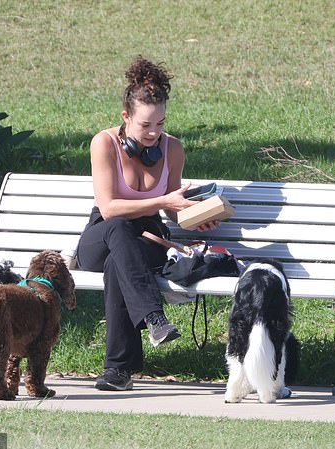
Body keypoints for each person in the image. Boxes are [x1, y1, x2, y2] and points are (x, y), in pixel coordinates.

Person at [76, 56, 219, 391]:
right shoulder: (104, 143)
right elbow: (109, 208)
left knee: (119, 264)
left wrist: (194, 216)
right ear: (125, 117)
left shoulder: (172, 149)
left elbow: (172, 207)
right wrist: (162, 202)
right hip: (103, 233)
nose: (154, 132)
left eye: (160, 123)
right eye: (145, 125)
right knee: (118, 229)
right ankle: (154, 317)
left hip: (146, 240)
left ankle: (117, 371)